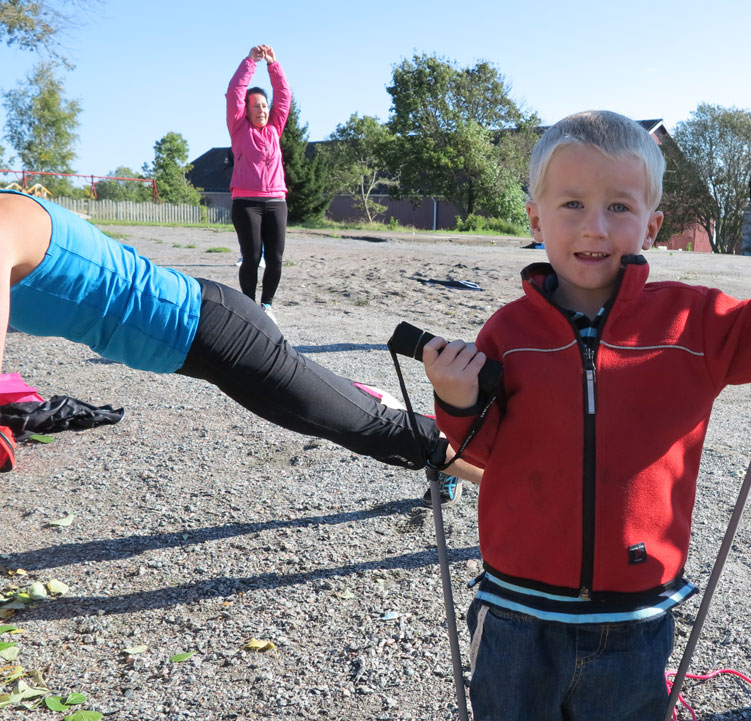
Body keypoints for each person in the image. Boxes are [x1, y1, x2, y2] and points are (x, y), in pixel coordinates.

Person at [422, 110, 751, 720]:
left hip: (635, 617)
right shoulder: (508, 332)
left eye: (619, 207)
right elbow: (489, 452)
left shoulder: (692, 322)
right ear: (535, 218)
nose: (595, 227)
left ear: (651, 226)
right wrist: (458, 401)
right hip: (518, 611)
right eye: (572, 203)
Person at [0, 188, 481, 487]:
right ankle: (357, 397)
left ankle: (528, 498)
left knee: (373, 431)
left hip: (218, 333)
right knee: (344, 413)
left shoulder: (7, 222)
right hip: (206, 338)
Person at [226, 44, 290, 325]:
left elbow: (285, 97)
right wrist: (251, 62)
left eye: (265, 106)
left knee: (275, 258)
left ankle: (266, 305)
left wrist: (273, 66)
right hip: (246, 203)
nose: (262, 110)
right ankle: (248, 308)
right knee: (251, 258)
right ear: (246, 111)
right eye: (256, 106)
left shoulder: (275, 129)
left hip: (276, 201)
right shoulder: (239, 128)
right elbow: (235, 93)